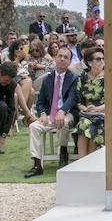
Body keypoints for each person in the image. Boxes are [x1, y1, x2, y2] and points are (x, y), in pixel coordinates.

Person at [27, 43, 78, 177]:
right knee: (34, 127)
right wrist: (42, 113)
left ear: (69, 61)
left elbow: (72, 99)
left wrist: (61, 111)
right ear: (55, 58)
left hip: (67, 114)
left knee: (63, 122)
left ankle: (63, 153)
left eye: (65, 57)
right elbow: (40, 101)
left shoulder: (73, 78)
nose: (62, 59)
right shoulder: (48, 78)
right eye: (60, 56)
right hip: (49, 115)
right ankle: (37, 164)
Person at [73, 46, 106, 158]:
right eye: (98, 59)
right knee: (84, 124)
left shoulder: (108, 77)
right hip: (87, 114)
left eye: (103, 58)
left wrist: (98, 109)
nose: (102, 61)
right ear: (89, 63)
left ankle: (88, 161)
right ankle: (82, 160)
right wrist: (85, 108)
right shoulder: (82, 77)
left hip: (104, 114)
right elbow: (78, 101)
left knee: (91, 126)